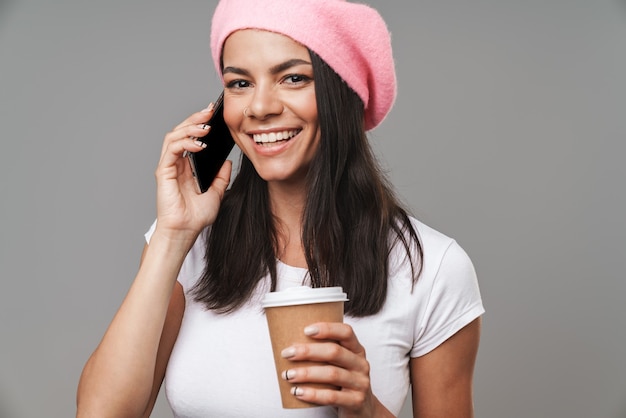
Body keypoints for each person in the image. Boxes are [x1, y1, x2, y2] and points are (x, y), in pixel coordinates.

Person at [76, 0, 485, 417]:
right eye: (239, 84)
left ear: (342, 92)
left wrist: (364, 410)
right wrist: (172, 236)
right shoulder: (188, 243)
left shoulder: (433, 268)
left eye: (292, 78)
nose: (259, 107)